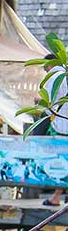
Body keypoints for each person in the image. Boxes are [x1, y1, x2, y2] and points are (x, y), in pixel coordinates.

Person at [41, 54, 68, 206]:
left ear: (49, 66)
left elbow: (48, 107)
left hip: (62, 127)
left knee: (61, 162)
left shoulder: (53, 77)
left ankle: (56, 196)